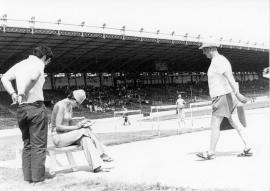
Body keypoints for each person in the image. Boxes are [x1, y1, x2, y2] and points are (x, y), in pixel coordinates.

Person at [1, 45, 53, 182]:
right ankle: (38, 179)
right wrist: (23, 92)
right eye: (48, 61)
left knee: (28, 145)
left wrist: (13, 93)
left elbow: (4, 78)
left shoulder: (21, 64)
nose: (46, 64)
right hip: (35, 107)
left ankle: (28, 178)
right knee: (39, 145)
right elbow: (34, 76)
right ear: (44, 57)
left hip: (22, 109)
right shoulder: (39, 63)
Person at [196, 42, 252, 160]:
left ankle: (211, 152)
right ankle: (248, 145)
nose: (203, 53)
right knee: (234, 121)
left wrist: (237, 93)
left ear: (211, 49)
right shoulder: (221, 60)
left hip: (221, 96)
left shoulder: (217, 61)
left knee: (215, 124)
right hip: (225, 95)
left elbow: (229, 77)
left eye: (204, 50)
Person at [50, 89, 113, 173]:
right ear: (73, 99)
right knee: (85, 130)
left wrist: (80, 124)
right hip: (58, 137)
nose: (78, 106)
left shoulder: (70, 106)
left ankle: (97, 167)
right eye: (78, 103)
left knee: (85, 139)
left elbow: (70, 125)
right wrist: (77, 127)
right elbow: (58, 127)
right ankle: (102, 154)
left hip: (67, 136)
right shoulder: (61, 105)